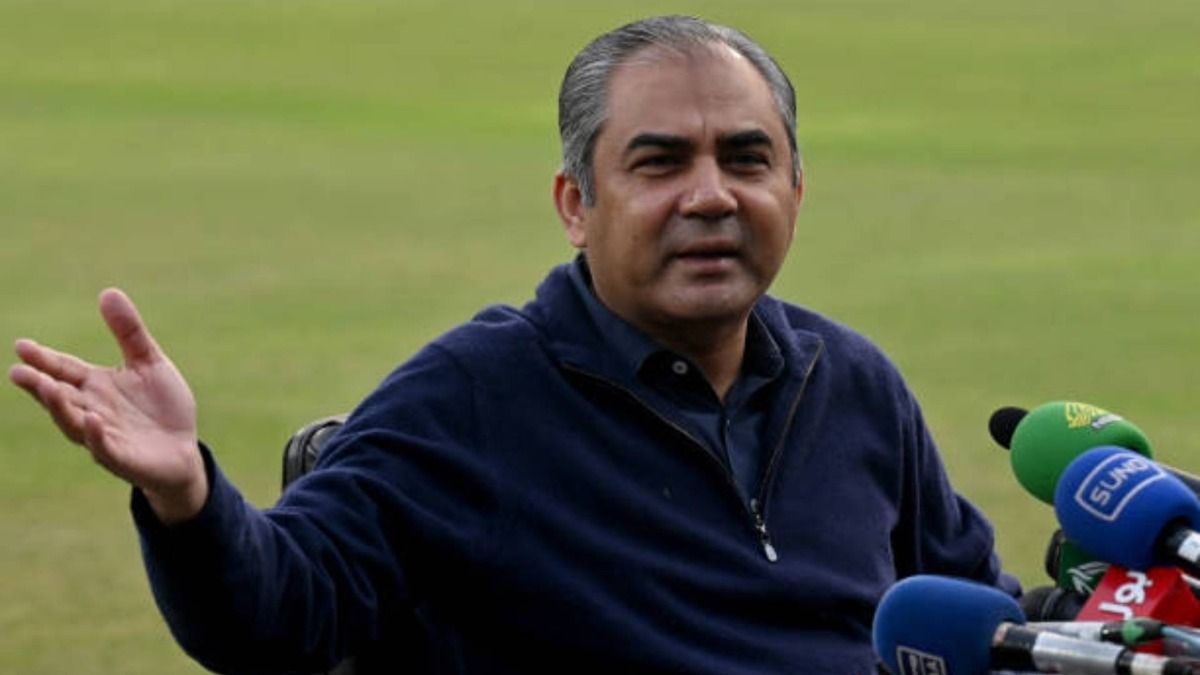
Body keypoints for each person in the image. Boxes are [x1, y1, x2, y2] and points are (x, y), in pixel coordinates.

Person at [9, 15, 1018, 675]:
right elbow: (282, 613)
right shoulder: (475, 398)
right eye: (660, 163)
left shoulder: (851, 385)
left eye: (747, 160)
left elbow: (979, 613)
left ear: (793, 194)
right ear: (577, 205)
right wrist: (185, 497)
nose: (711, 195)